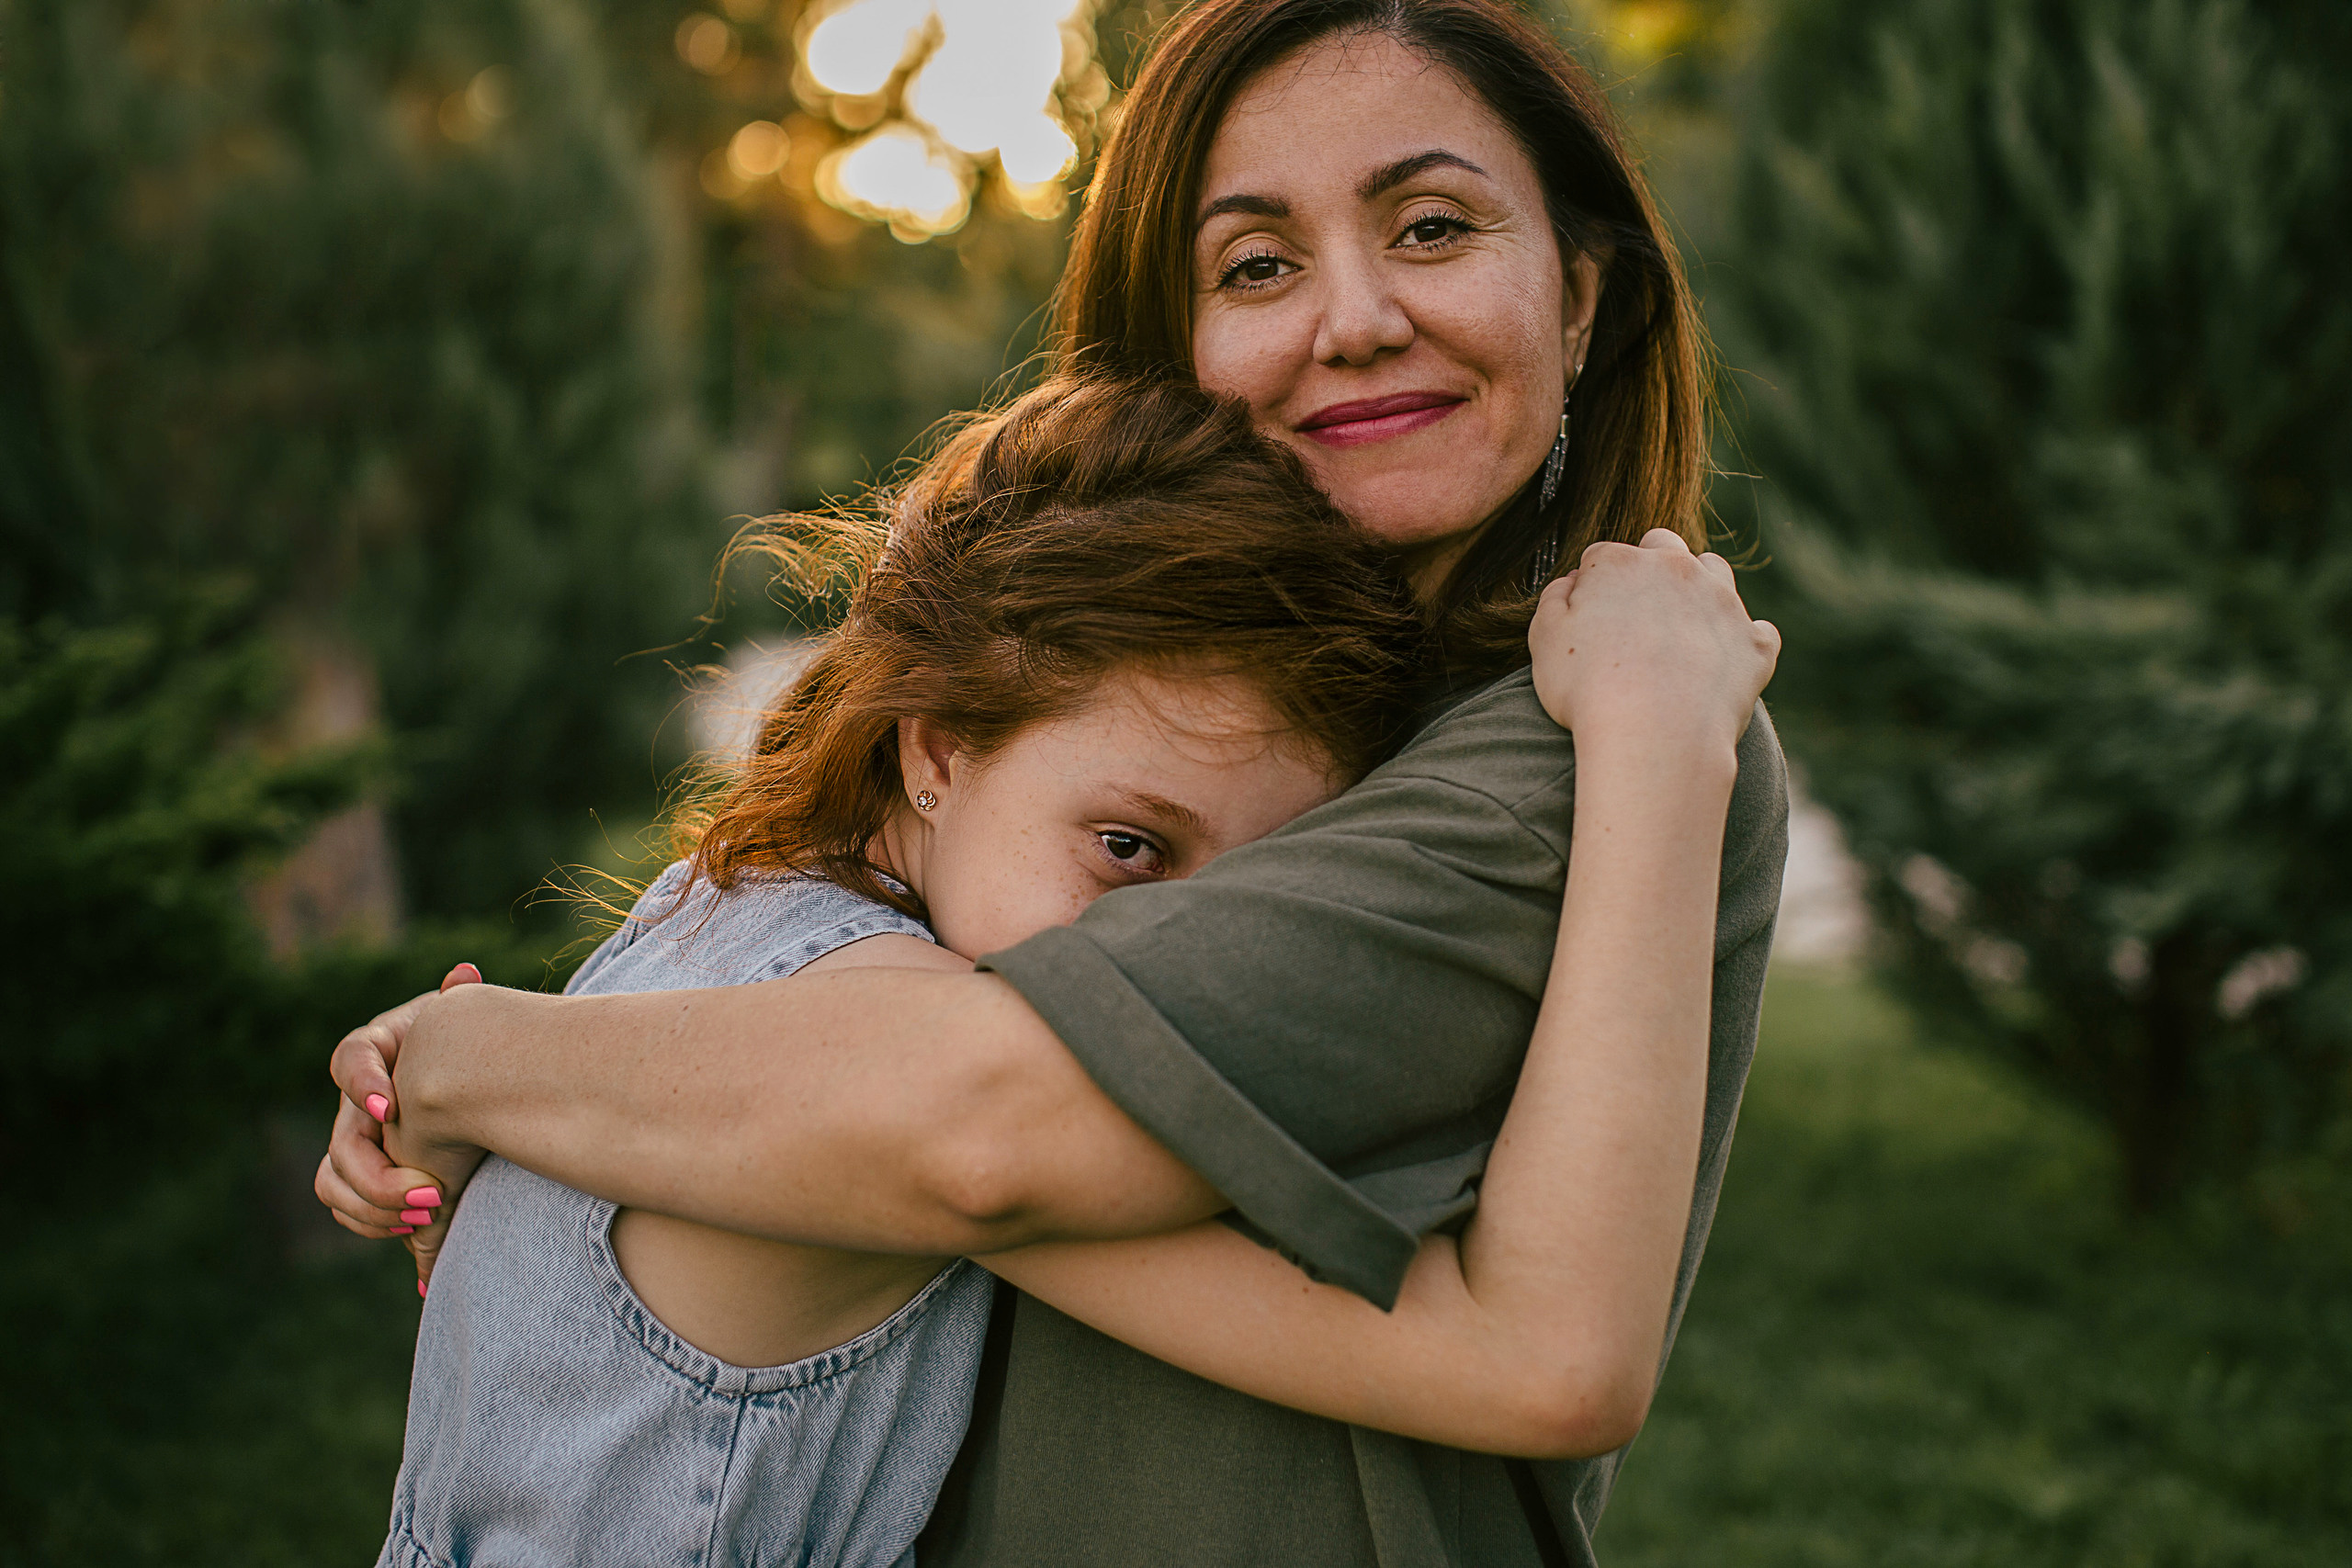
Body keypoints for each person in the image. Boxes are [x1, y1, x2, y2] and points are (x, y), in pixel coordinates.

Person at [319, 2, 1791, 1562]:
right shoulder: (1090, 758)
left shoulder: (1575, 743)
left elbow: (974, 1140)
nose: (1351, 318)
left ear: (1576, 295)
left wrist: (475, 1064)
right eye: (1257, 263)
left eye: (1431, 226)